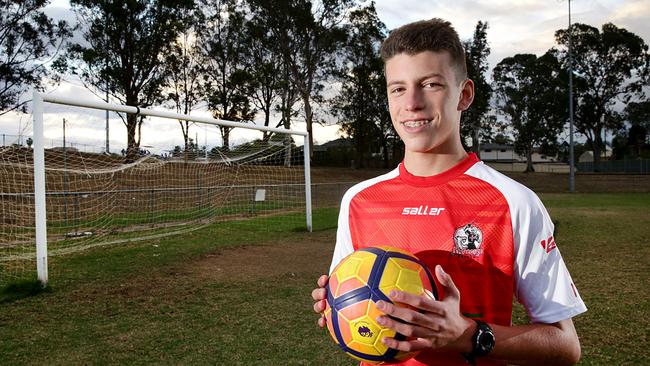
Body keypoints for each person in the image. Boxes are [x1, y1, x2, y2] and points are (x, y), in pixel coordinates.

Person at [311, 18, 586, 366]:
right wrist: (336, 306)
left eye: (430, 84)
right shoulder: (359, 200)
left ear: (464, 94)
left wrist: (466, 335)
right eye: (398, 88)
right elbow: (356, 309)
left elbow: (565, 346)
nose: (412, 102)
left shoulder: (513, 202)